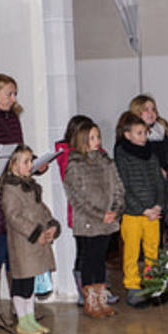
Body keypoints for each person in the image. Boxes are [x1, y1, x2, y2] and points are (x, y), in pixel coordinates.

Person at [63, 121, 125, 318]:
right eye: (91, 137)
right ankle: (91, 301)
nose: (97, 140)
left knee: (100, 260)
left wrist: (115, 210)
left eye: (98, 136)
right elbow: (76, 198)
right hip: (89, 221)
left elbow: (119, 188)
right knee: (89, 260)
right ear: (81, 140)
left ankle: (101, 299)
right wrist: (100, 214)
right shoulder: (75, 164)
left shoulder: (107, 161)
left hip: (108, 220)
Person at [1, 145, 60, 334]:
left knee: (31, 283)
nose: (30, 165)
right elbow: (14, 217)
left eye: (31, 161)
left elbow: (42, 210)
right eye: (25, 162)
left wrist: (51, 226)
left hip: (36, 244)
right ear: (13, 165)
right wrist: (35, 233)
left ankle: (30, 319)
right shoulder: (10, 189)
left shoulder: (30, 186)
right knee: (22, 283)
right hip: (23, 245)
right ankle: (23, 321)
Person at [114, 112, 165, 307]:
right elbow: (123, 187)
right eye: (139, 133)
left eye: (145, 133)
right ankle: (133, 286)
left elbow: (159, 182)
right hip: (133, 214)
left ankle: (152, 284)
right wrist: (142, 209)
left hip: (153, 212)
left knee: (153, 250)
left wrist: (159, 204)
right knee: (132, 252)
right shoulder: (122, 155)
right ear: (128, 135)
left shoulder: (150, 153)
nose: (144, 137)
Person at [55, 114, 93, 306]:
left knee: (96, 253)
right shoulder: (68, 156)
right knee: (84, 252)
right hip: (81, 213)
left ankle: (98, 289)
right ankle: (83, 290)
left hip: (99, 212)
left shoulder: (97, 152)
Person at [0, 74, 23, 319]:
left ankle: (19, 309)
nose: (13, 99)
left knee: (15, 255)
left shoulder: (12, 118)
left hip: (13, 192)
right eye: (9, 93)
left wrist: (32, 164)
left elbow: (19, 151)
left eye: (15, 94)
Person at [129, 95, 168, 174]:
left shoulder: (163, 129)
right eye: (146, 110)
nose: (151, 113)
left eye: (153, 109)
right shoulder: (136, 138)